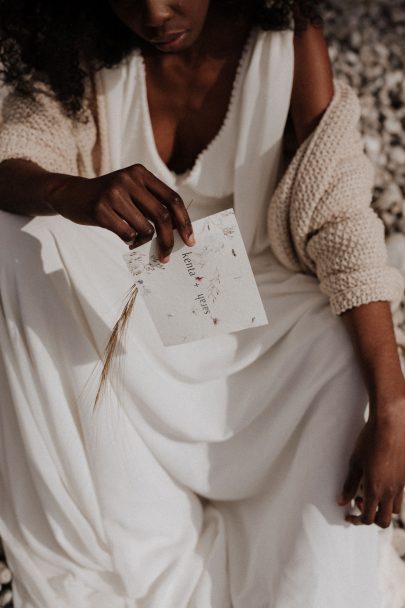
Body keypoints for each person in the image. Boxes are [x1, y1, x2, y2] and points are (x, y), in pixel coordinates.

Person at [0, 1, 404, 606]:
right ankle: (107, 564)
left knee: (336, 341)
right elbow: (14, 155)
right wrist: (71, 191)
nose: (156, 13)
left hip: (266, 339)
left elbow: (340, 217)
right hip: (131, 317)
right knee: (13, 239)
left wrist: (392, 406)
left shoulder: (288, 39)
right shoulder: (83, 47)